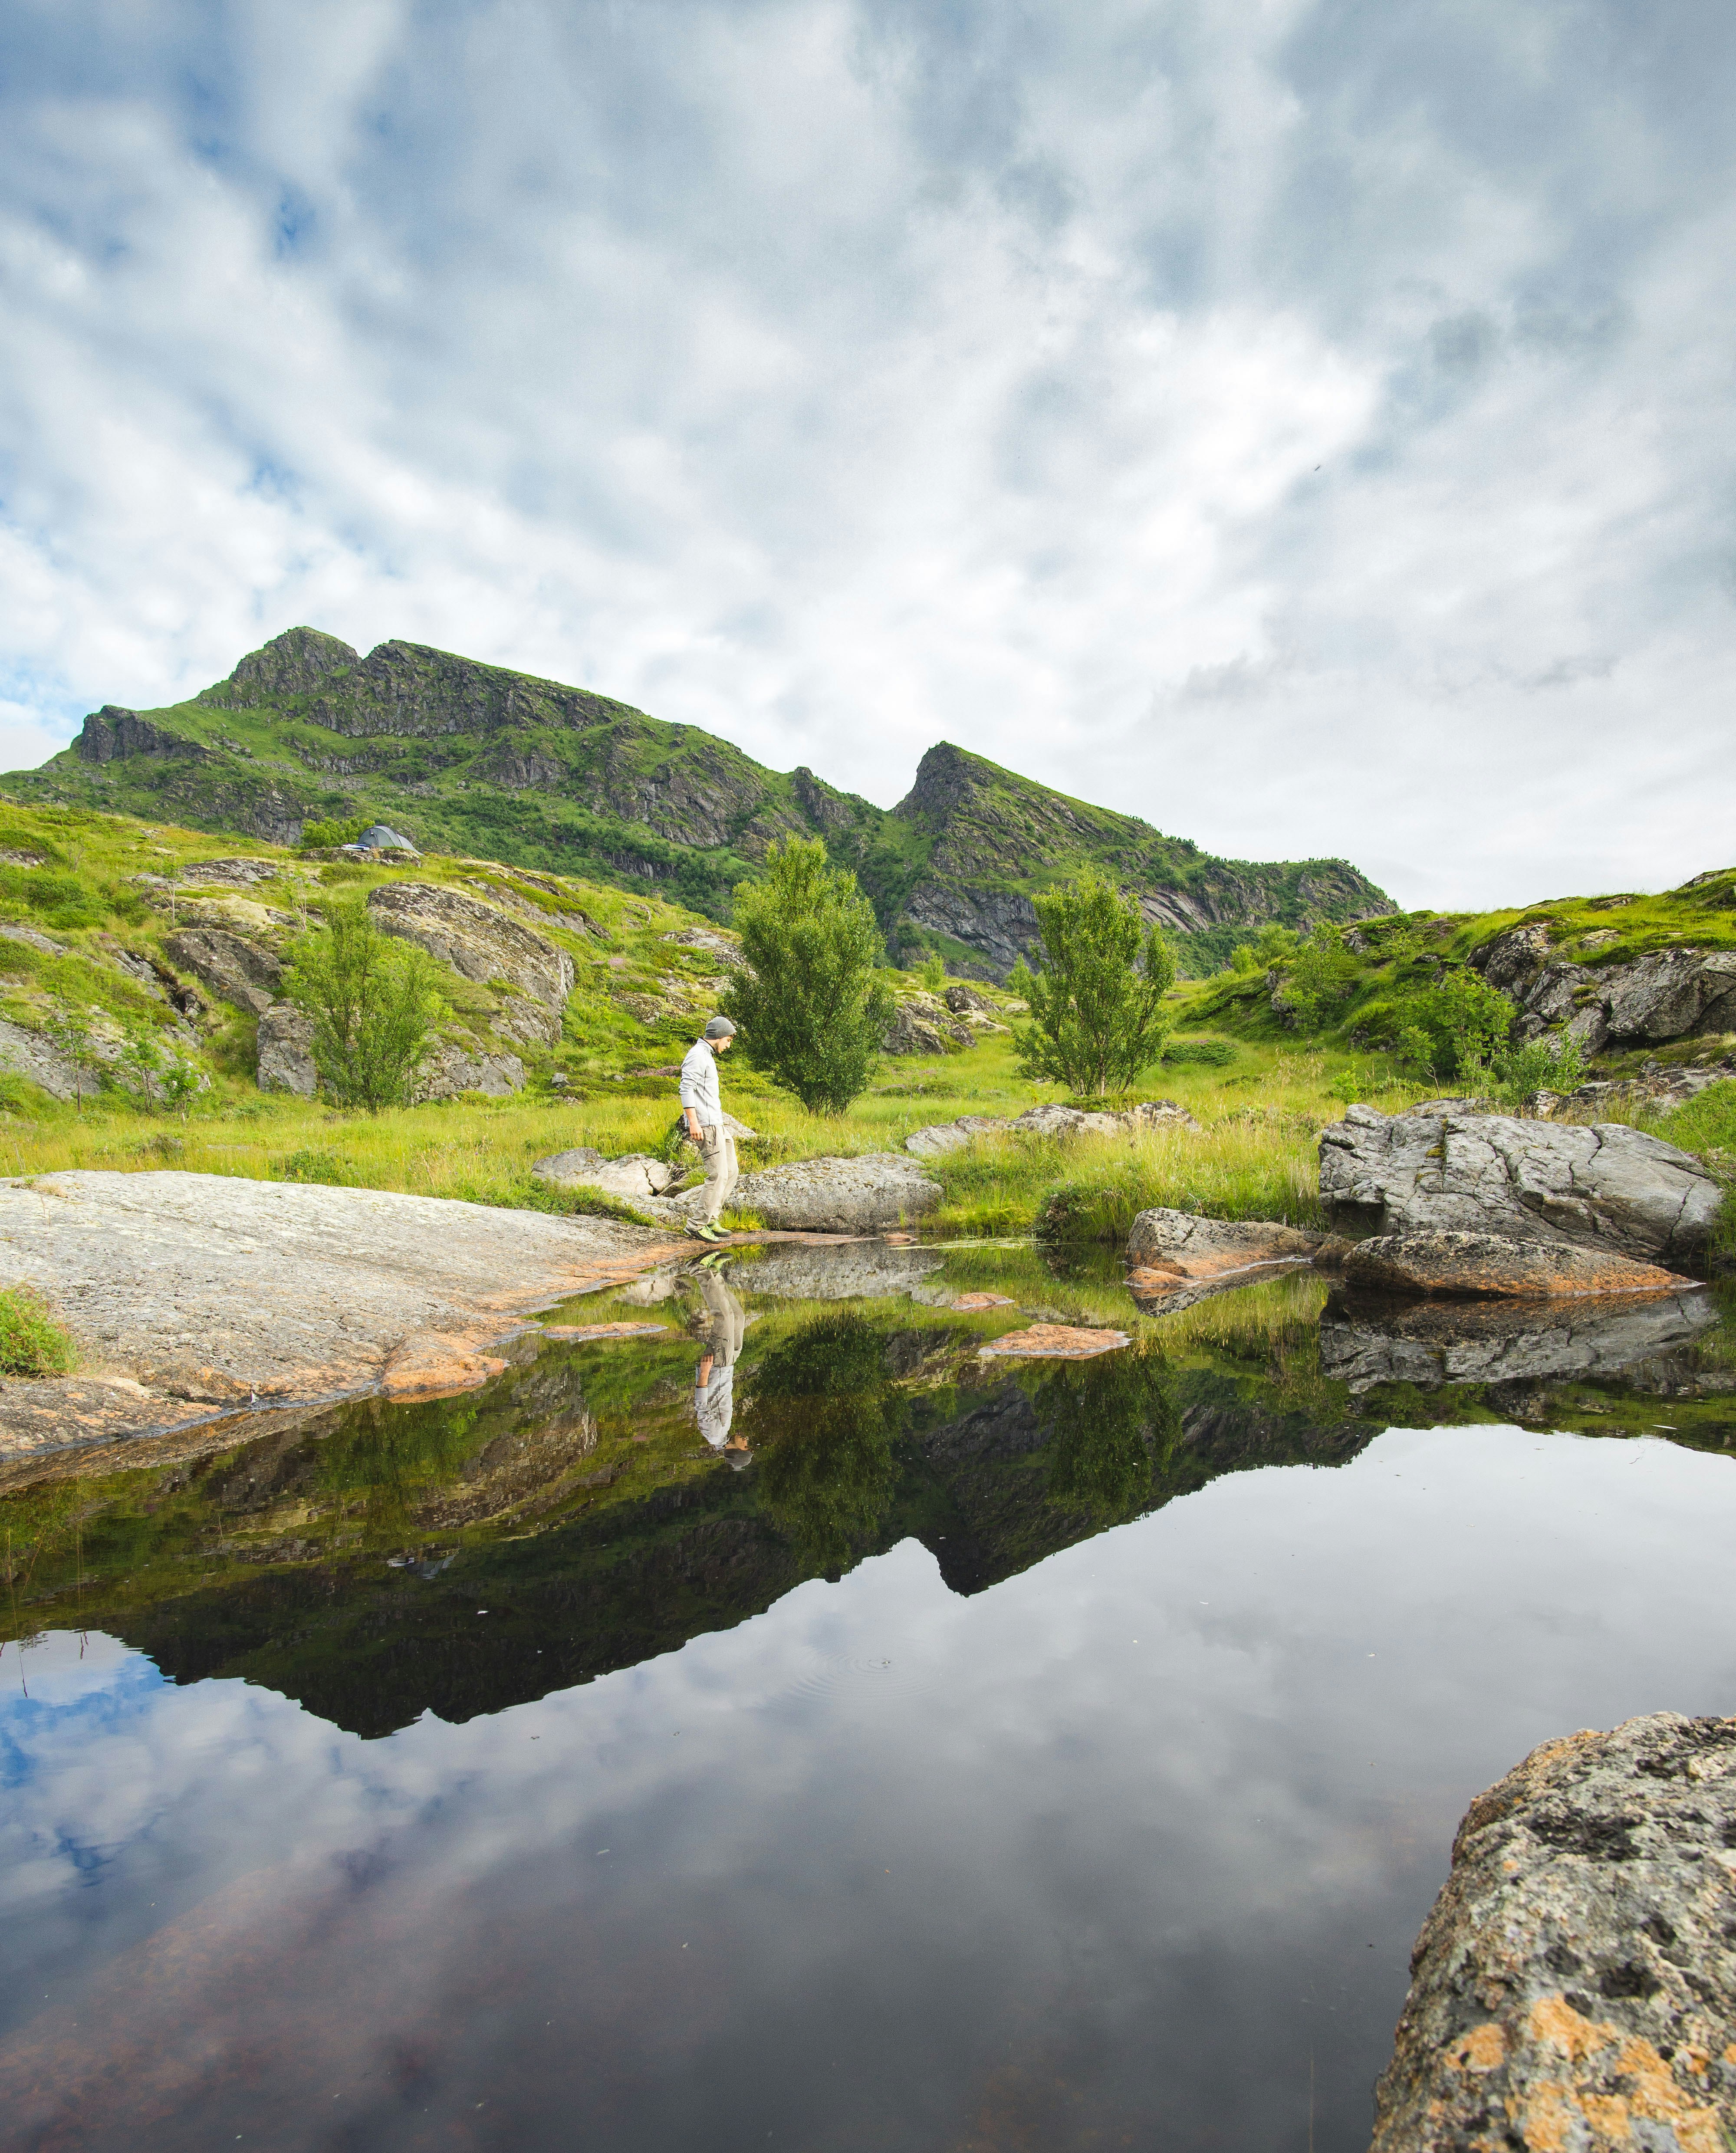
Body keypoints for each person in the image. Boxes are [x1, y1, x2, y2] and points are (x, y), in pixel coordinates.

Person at [679, 1016, 739, 1242]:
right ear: (720, 1036)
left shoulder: (707, 1055)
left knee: (731, 1171)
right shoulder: (697, 1055)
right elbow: (686, 1088)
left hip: (718, 1124)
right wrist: (693, 1122)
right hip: (706, 1124)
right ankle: (696, 1225)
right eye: (729, 1040)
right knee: (717, 1175)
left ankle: (712, 1217)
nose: (729, 1045)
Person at [692, 1263, 751, 1467]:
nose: (746, 1442)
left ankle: (699, 1271)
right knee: (738, 1317)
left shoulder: (715, 1435)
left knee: (724, 1317)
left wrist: (705, 1373)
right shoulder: (723, 1433)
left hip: (717, 1366)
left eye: (746, 1447)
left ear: (735, 1451)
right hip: (728, 1364)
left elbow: (701, 1407)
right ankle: (715, 1274)